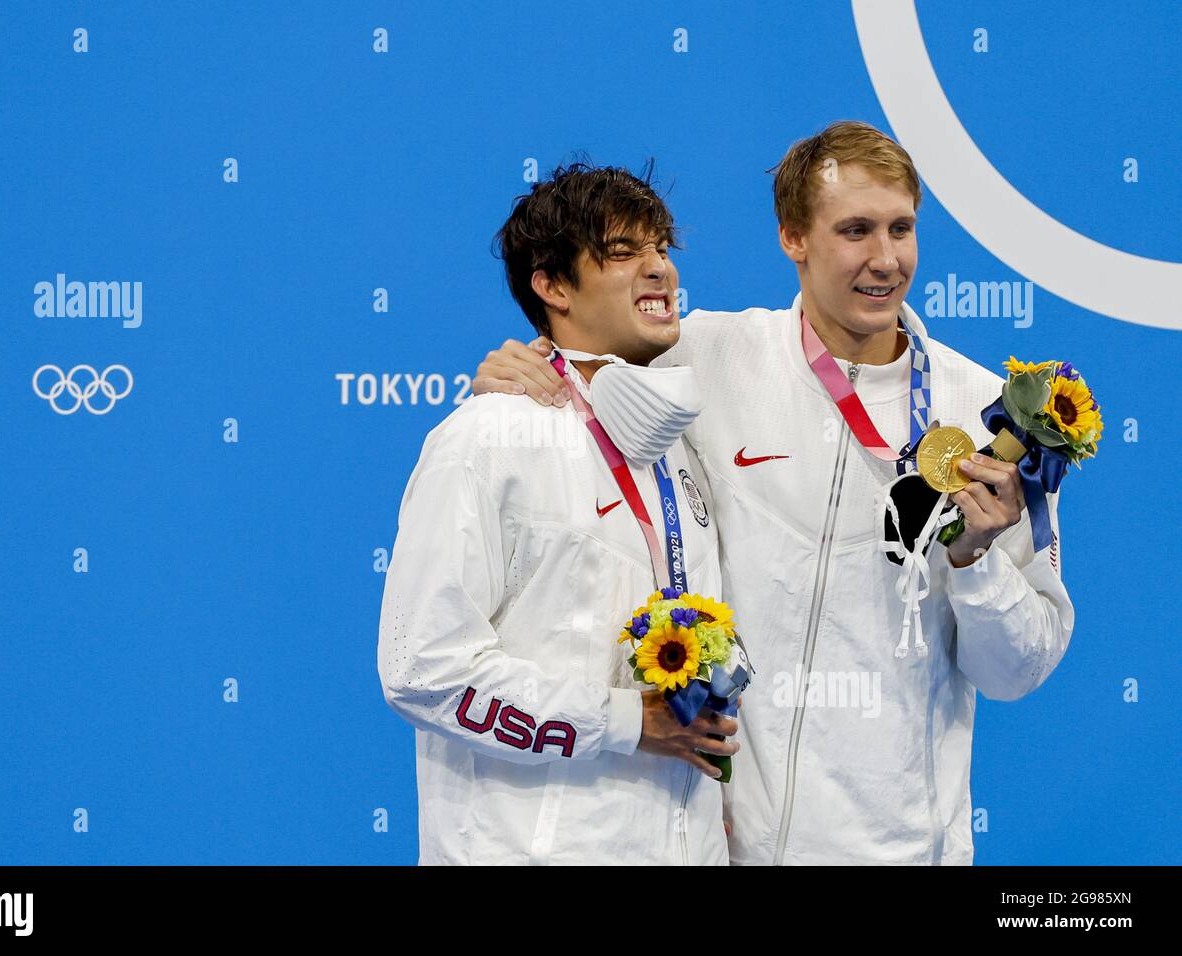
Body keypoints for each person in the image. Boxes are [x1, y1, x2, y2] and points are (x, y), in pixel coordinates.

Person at [471, 121, 1076, 865]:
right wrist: (519, 364)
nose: (885, 259)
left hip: (900, 851)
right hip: (726, 847)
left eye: (901, 229)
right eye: (855, 230)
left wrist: (975, 562)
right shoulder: (705, 358)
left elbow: (1020, 670)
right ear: (793, 237)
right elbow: (590, 352)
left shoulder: (984, 412)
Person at [377, 161, 739, 865]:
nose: (659, 269)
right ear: (552, 285)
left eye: (661, 249)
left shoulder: (676, 450)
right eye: (624, 252)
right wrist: (628, 721)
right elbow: (421, 667)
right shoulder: (487, 438)